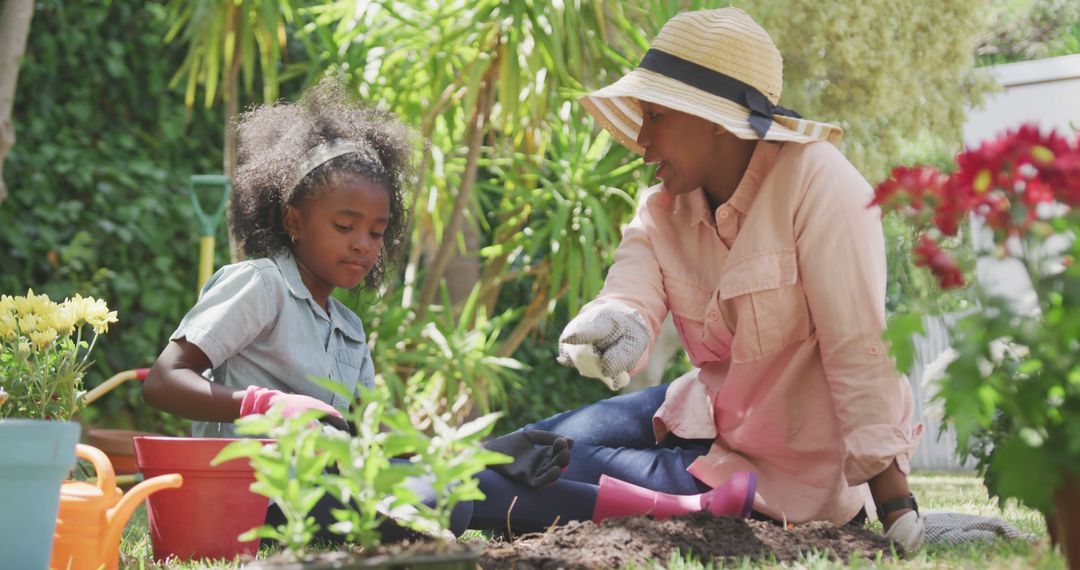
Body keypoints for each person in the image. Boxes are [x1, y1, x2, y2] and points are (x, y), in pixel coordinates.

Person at [142, 77, 752, 544]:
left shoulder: (349, 332)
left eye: (378, 232)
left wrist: (493, 449)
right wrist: (266, 405)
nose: (363, 243)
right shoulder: (261, 285)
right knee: (461, 489)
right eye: (345, 225)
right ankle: (682, 513)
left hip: (338, 488)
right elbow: (165, 382)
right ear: (293, 222)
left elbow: (371, 453)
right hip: (256, 500)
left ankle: (684, 516)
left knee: (497, 477)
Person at [526, 7, 925, 550]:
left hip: (783, 480)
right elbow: (630, 287)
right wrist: (618, 321)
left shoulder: (819, 183)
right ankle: (377, 487)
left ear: (715, 116)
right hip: (703, 414)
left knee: (550, 469)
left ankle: (386, 500)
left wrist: (896, 505)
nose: (642, 144)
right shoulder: (661, 208)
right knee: (534, 445)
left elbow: (859, 345)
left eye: (655, 117)